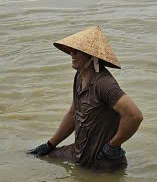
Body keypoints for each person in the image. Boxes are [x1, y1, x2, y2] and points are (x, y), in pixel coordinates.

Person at [28, 26, 143, 170]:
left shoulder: (104, 83)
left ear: (92, 56)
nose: (72, 53)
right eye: (71, 49)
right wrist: (50, 144)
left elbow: (134, 116)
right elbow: (72, 114)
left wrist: (113, 146)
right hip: (79, 153)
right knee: (32, 156)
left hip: (103, 162)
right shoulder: (79, 76)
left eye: (78, 51)